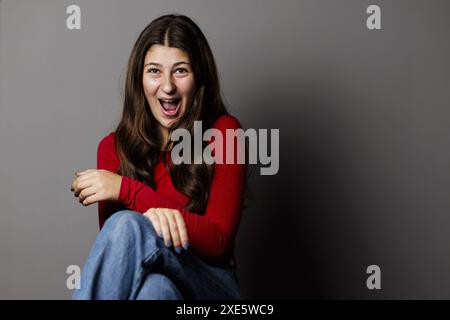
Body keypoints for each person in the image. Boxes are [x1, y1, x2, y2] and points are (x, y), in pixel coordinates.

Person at [70, 14, 247, 300]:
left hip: (212, 287)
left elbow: (218, 241)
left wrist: (125, 189)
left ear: (199, 77)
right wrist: (150, 216)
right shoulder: (112, 148)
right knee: (155, 290)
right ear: (139, 79)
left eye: (180, 71)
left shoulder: (225, 133)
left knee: (128, 225)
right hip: (160, 288)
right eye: (154, 71)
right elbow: (122, 263)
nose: (167, 87)